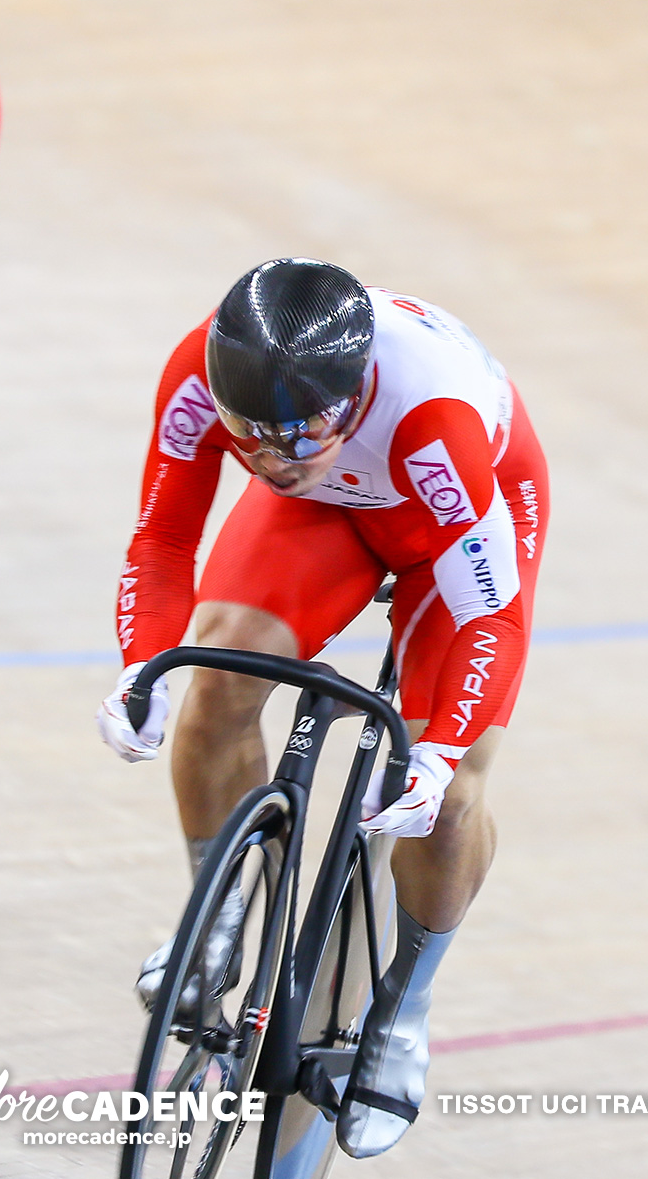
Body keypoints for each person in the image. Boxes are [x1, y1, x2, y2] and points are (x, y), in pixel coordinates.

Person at [95, 258, 549, 1158]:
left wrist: (441, 752)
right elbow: (163, 536)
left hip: (455, 527)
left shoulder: (434, 420)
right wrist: (141, 667)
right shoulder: (203, 377)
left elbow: (488, 613)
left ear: (351, 397)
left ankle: (402, 1011)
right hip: (338, 508)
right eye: (249, 436)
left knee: (448, 802)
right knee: (217, 677)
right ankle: (217, 927)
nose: (270, 459)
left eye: (297, 436)